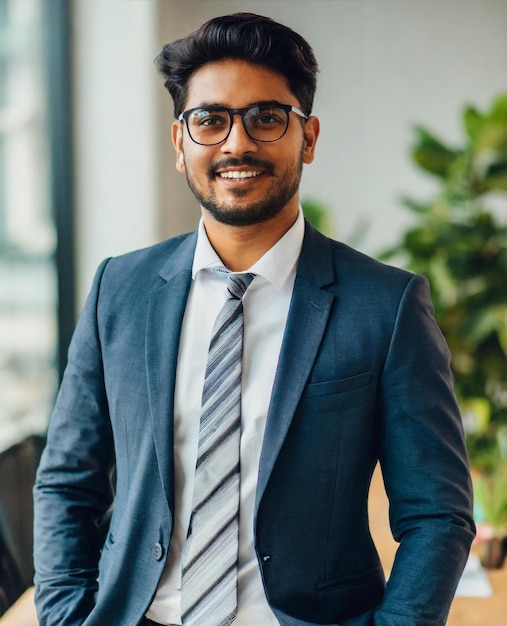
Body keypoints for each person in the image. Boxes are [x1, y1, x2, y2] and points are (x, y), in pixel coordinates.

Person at [33, 12, 475, 626]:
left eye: (266, 118)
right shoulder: (119, 289)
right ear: (180, 143)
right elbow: (67, 481)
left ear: (309, 138)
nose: (236, 144)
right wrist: (65, 615)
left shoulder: (387, 305)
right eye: (210, 120)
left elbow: (437, 515)